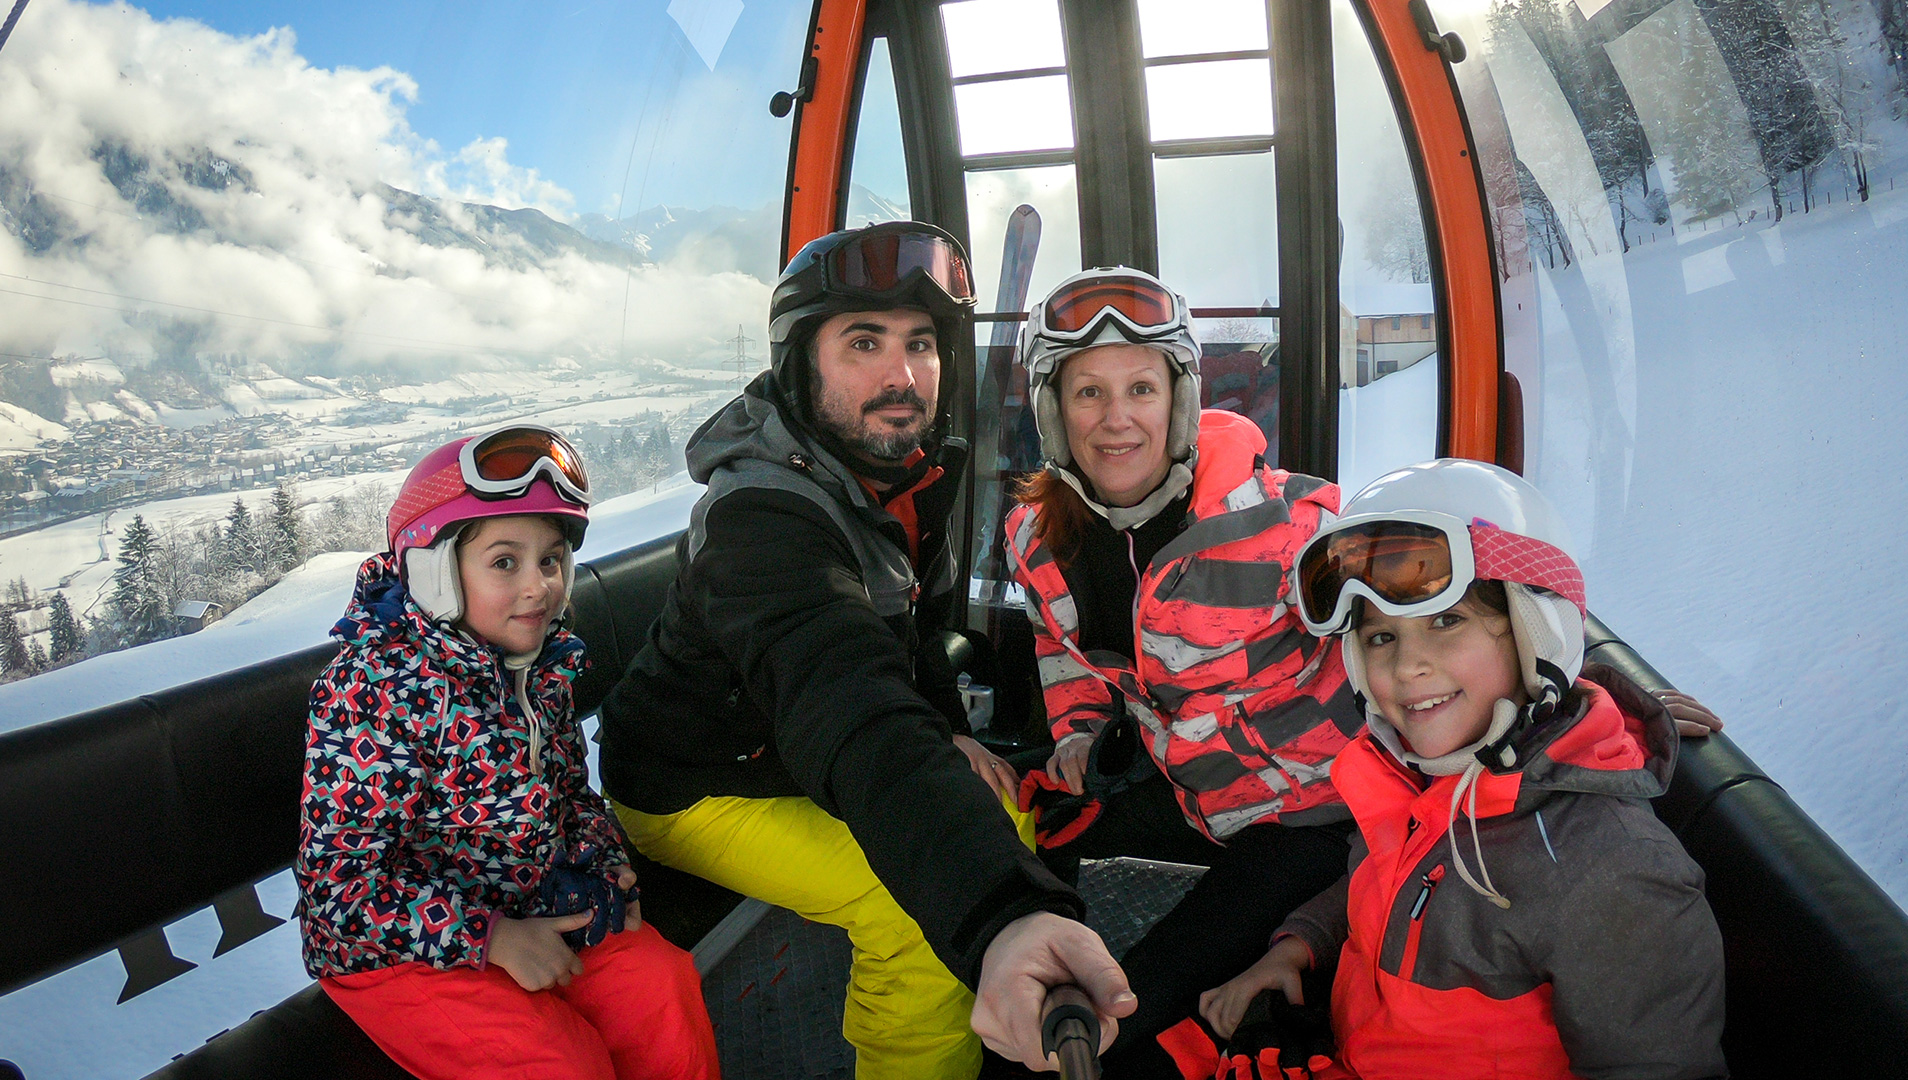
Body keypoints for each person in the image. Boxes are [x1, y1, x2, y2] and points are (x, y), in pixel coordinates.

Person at [593, 221, 1129, 1079]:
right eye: (864, 343)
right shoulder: (763, 523)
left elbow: (907, 636)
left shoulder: (894, 478)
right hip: (695, 783)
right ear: (803, 366)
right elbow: (845, 702)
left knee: (1005, 805)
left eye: (921, 344)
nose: (902, 375)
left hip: (783, 749)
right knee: (908, 912)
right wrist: (1001, 915)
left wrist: (950, 731)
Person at [1197, 459, 1727, 1079]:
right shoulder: (1431, 778)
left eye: (1446, 622)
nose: (1406, 668)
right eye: (1380, 638)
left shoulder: (1612, 872)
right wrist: (1302, 943)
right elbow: (1397, 879)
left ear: (1536, 633)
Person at [1003, 267, 1361, 1075]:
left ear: (1182, 402)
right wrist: (1083, 734)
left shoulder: (1284, 524)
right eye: (1087, 392)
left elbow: (1441, 600)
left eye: (1142, 388)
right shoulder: (1036, 539)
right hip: (1188, 789)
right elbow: (1061, 658)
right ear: (1055, 413)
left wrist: (1597, 688)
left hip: (1310, 819)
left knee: (1121, 1011)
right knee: (1018, 843)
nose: (1117, 419)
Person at [295, 425, 719, 1080]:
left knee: (660, 988)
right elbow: (340, 891)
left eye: (550, 560)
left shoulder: (538, 667)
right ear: (434, 571)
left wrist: (604, 873)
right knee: (559, 1064)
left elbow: (573, 798)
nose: (539, 586)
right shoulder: (373, 692)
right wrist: (489, 938)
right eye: (504, 561)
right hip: (399, 949)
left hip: (531, 905)